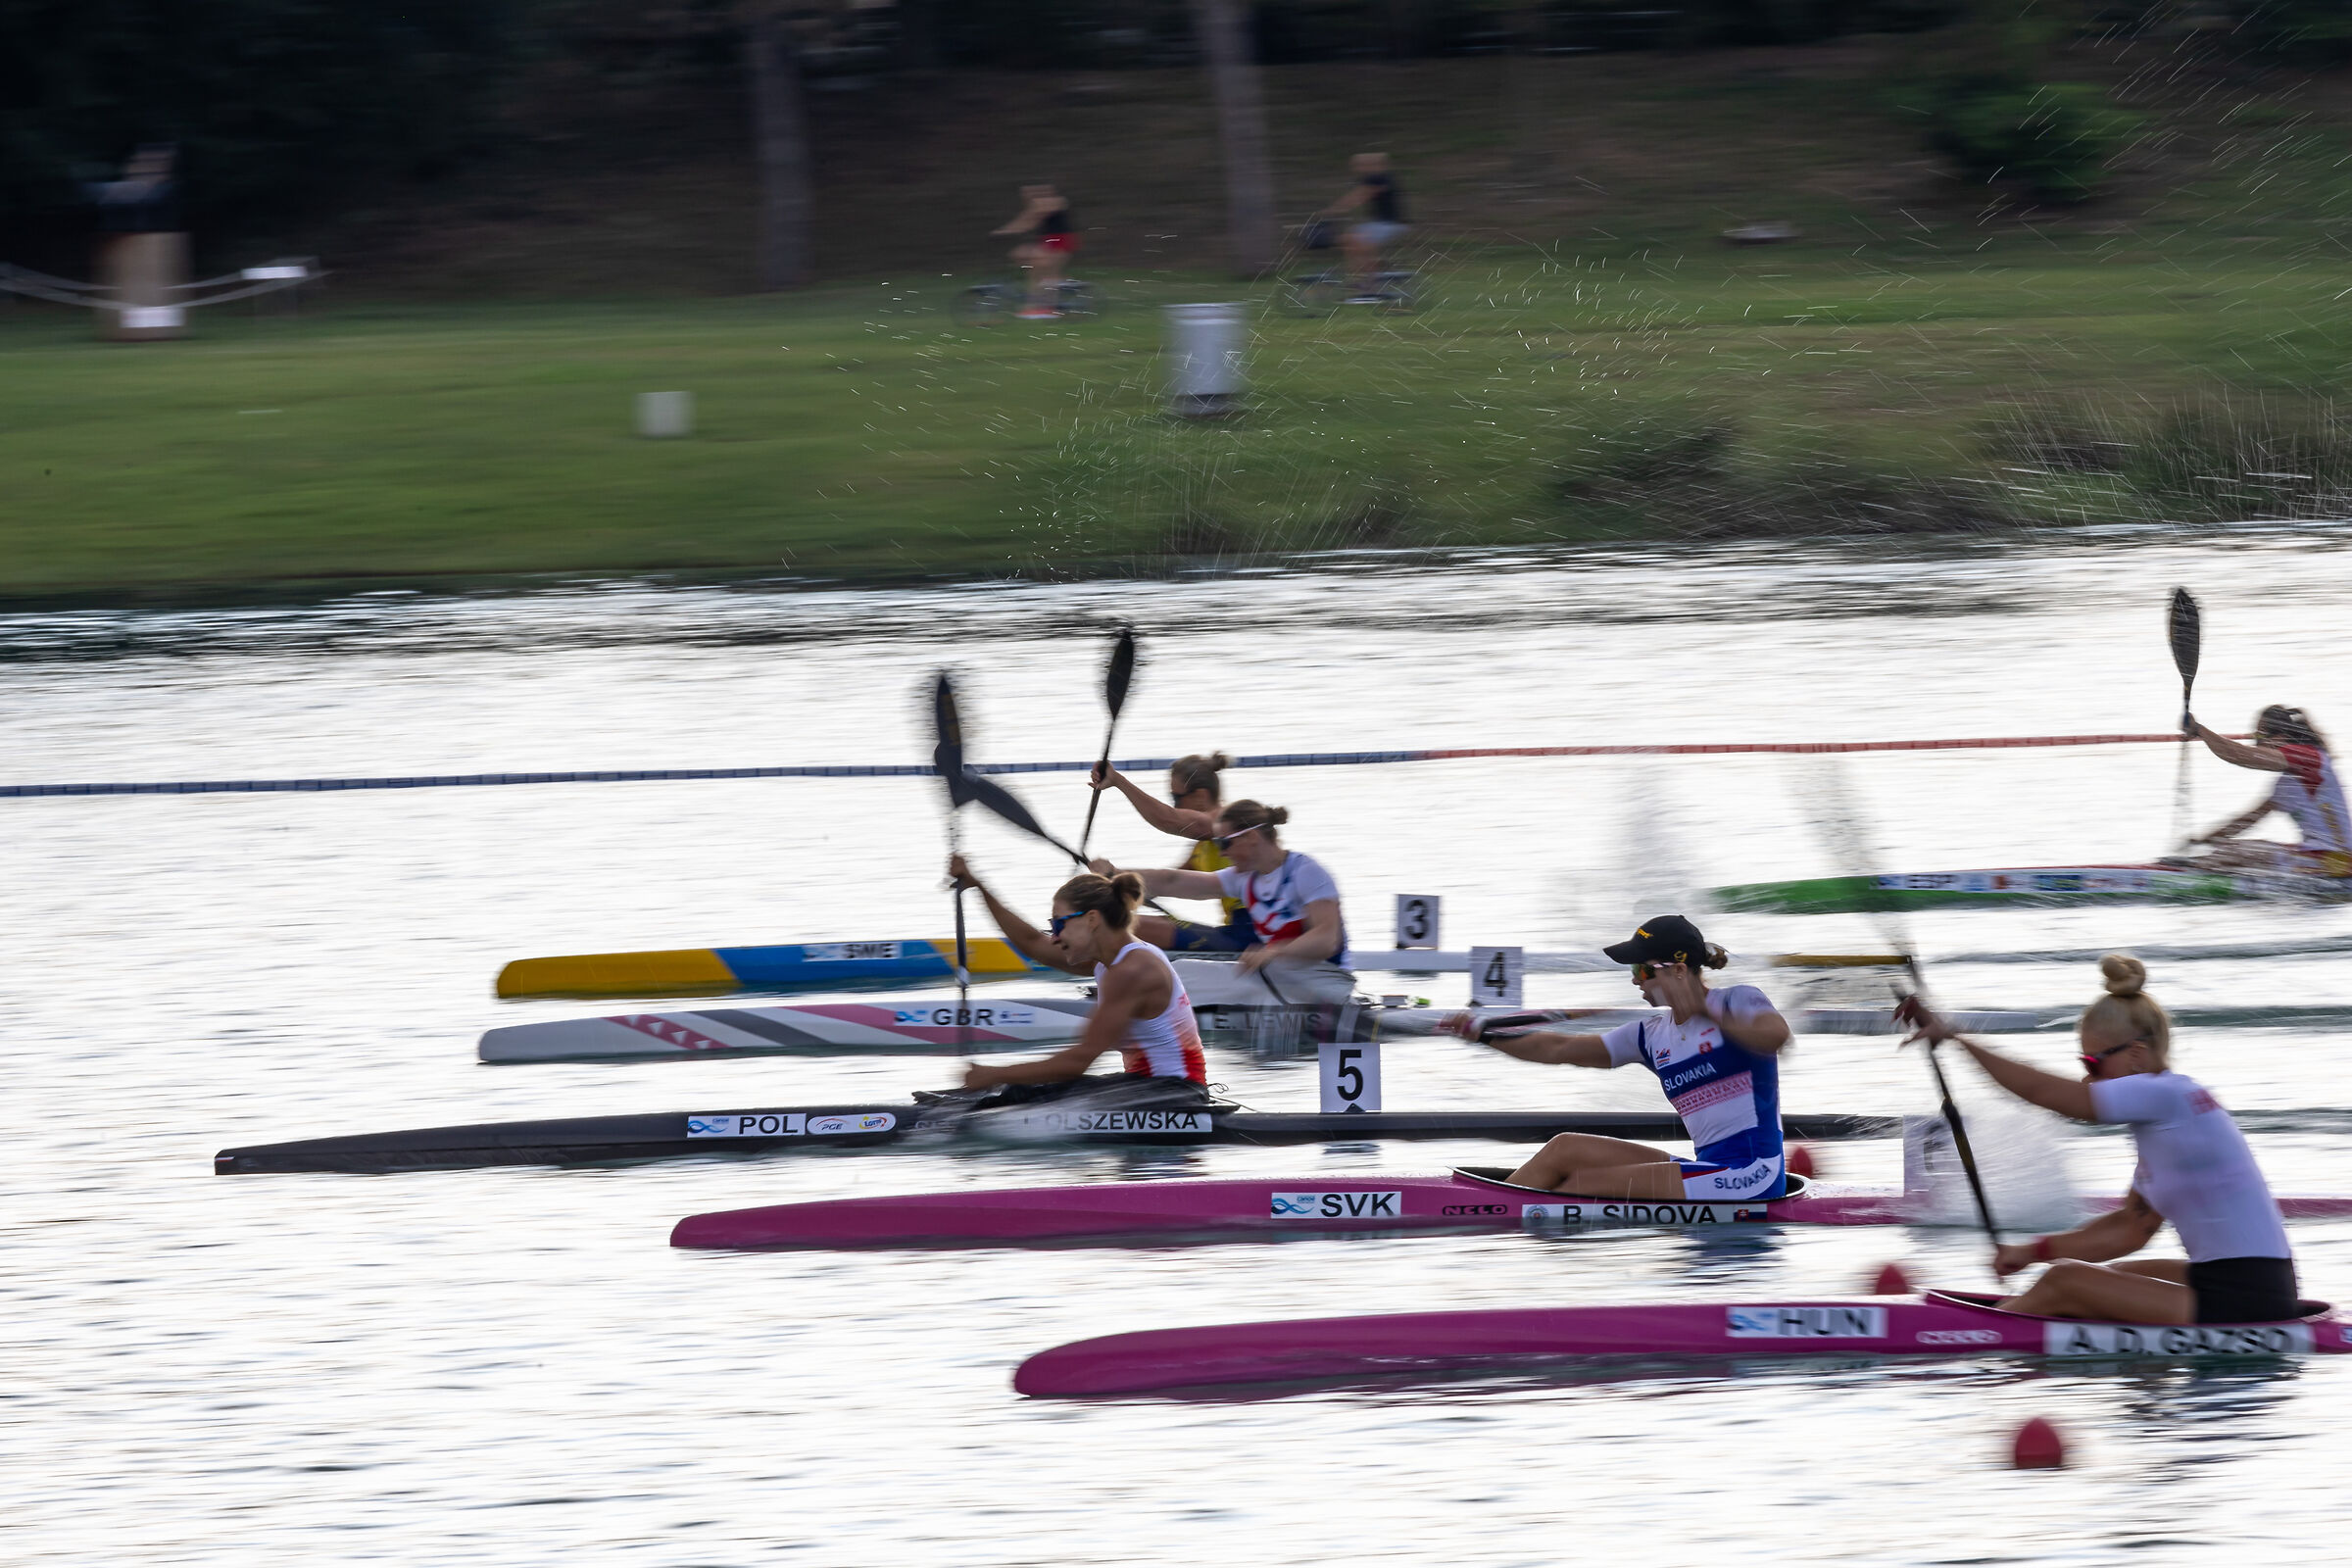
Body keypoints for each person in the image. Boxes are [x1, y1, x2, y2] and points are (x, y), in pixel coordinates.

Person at [1897, 956, 2300, 1326]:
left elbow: (2046, 1093)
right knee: (2110, 1277)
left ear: (2138, 1055)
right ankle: (2139, 1388)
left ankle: (1974, 1333)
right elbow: (2128, 1230)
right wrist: (2031, 1251)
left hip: (2246, 1300)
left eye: (2094, 1062)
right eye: (2082, 1064)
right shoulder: (2172, 1118)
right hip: (2253, 1284)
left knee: (2064, 1281)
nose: (2089, 1076)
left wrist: (1956, 1039)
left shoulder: (2164, 1093)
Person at [1440, 915, 1793, 1200]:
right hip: (1711, 1171)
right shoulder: (1650, 1036)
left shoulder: (1739, 1001)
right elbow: (1558, 1048)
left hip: (1753, 1175)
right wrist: (1485, 1036)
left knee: (1577, 1186)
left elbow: (1776, 1037)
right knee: (1564, 1149)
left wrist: (1705, 1012)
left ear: (1679, 970)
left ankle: (1482, 1212)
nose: (1635, 981)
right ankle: (1485, 1205)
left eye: (1641, 970)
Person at [946, 856, 1208, 1099]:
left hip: (1175, 1095)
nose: (1055, 937)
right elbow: (1032, 942)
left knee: (1014, 1092)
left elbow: (1077, 1062)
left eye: (1059, 924)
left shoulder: (1132, 971)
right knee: (1015, 1090)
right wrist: (980, 888)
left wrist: (994, 1074)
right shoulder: (1110, 960)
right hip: (1150, 1087)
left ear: (1092, 919)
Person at [1087, 800, 1353, 1004]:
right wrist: (1115, 875)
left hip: (1327, 980)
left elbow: (1327, 938)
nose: (1222, 851)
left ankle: (1125, 1003)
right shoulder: (1245, 878)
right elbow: (1172, 882)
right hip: (1283, 979)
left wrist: (1273, 952)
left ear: (1251, 837)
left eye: (1224, 843)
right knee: (1182, 970)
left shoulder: (1305, 872)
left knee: (1182, 976)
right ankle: (1132, 1000)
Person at [1087, 752, 1253, 954]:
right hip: (1235, 933)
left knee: (1130, 925)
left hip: (1250, 935)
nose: (1174, 805)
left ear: (1200, 796)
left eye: (1176, 797)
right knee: (1132, 921)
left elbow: (1169, 820)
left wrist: (1118, 781)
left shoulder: (1222, 825)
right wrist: (1112, 883)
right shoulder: (1203, 847)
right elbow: (1165, 883)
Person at [2183, 706, 2351, 874]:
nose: (2255, 743)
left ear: (2280, 737)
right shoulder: (2287, 783)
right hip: (2322, 859)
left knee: (2236, 852)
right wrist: (2202, 841)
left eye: (2259, 735)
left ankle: (2190, 874)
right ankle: (2197, 867)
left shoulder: (2309, 758)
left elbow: (2239, 755)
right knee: (2233, 852)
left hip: (2338, 861)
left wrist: (2199, 730)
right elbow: (2248, 819)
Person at [1315, 152, 1407, 302]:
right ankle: (1370, 272)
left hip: (1390, 224)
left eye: (1361, 165)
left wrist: (1333, 210)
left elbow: (1359, 197)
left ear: (1373, 165)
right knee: (1348, 240)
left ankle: (1370, 279)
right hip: (1380, 224)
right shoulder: (1375, 178)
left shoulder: (1380, 178)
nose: (1358, 168)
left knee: (1356, 240)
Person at [990, 183, 1078, 319]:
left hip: (1060, 240)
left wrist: (1008, 230)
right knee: (1021, 256)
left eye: (1029, 193)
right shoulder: (1038, 205)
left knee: (1044, 271)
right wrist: (1006, 230)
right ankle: (1051, 292)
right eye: (1024, 194)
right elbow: (1026, 221)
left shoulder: (1054, 202)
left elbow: (1029, 221)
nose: (1026, 197)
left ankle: (1046, 307)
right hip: (1049, 241)